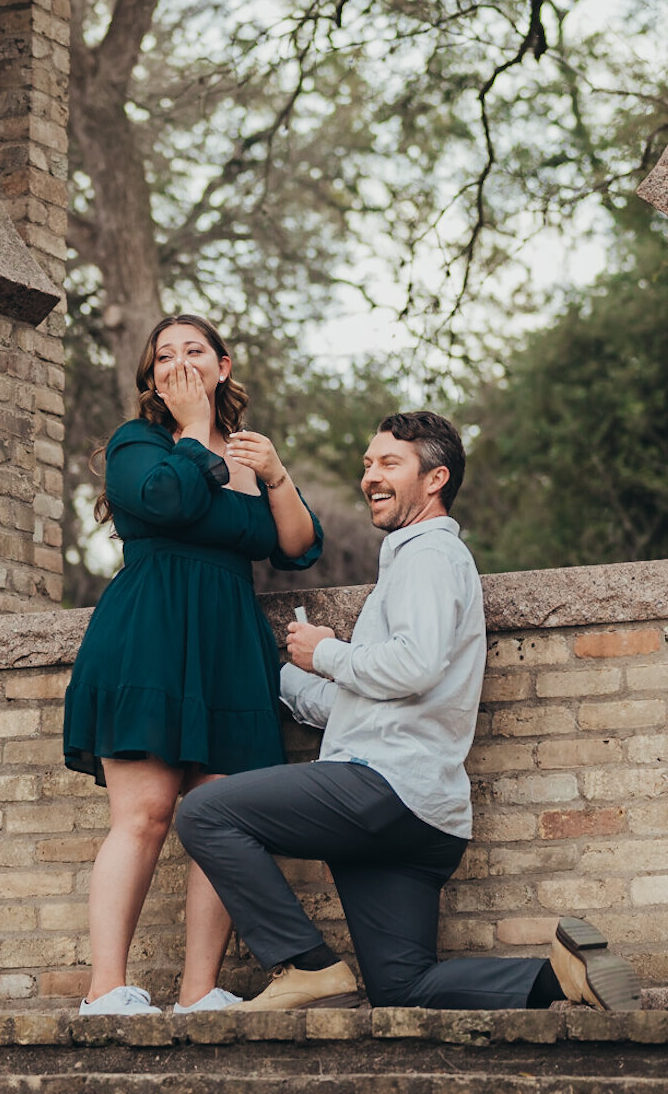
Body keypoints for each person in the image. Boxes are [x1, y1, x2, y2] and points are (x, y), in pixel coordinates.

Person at [176, 410, 640, 1013]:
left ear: (435, 478)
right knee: (404, 988)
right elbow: (363, 697)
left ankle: (307, 967)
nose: (371, 475)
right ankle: (561, 980)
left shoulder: (428, 556)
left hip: (383, 786)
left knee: (208, 813)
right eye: (368, 463)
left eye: (390, 463)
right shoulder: (409, 563)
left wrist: (329, 651)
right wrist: (281, 672)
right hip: (426, 818)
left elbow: (413, 664)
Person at [63, 313, 324, 1018]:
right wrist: (189, 427)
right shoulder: (136, 443)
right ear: (152, 377)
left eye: (195, 350)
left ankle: (199, 990)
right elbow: (165, 500)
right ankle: (105, 991)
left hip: (229, 645)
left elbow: (298, 547)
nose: (179, 361)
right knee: (144, 816)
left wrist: (275, 473)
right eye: (165, 355)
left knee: (222, 815)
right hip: (149, 632)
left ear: (224, 365)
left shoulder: (247, 450)